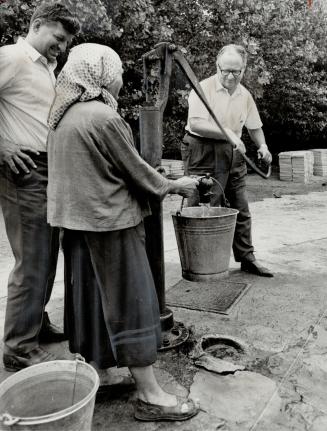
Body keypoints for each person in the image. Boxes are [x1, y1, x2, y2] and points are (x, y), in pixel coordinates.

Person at [47, 43, 199, 422]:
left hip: (76, 225)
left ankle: (95, 374)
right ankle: (150, 395)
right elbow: (136, 172)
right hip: (109, 224)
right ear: (99, 74)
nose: (119, 79)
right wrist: (176, 185)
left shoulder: (62, 116)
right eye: (115, 72)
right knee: (133, 302)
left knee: (92, 302)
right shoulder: (103, 118)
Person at [0, 2, 80, 371]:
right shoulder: (13, 57)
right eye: (57, 38)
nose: (61, 48)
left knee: (47, 257)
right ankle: (18, 346)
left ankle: (35, 324)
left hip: (47, 170)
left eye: (65, 43)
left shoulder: (47, 69)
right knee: (32, 261)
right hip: (24, 170)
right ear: (36, 25)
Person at [183, 44, 274, 277]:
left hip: (233, 153)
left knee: (240, 205)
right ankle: (198, 264)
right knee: (203, 206)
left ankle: (246, 257)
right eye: (226, 71)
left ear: (244, 70)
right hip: (202, 150)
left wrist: (262, 146)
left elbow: (254, 126)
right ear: (217, 67)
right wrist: (230, 133)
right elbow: (196, 123)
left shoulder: (244, 95)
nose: (231, 76)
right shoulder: (202, 88)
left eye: (237, 71)